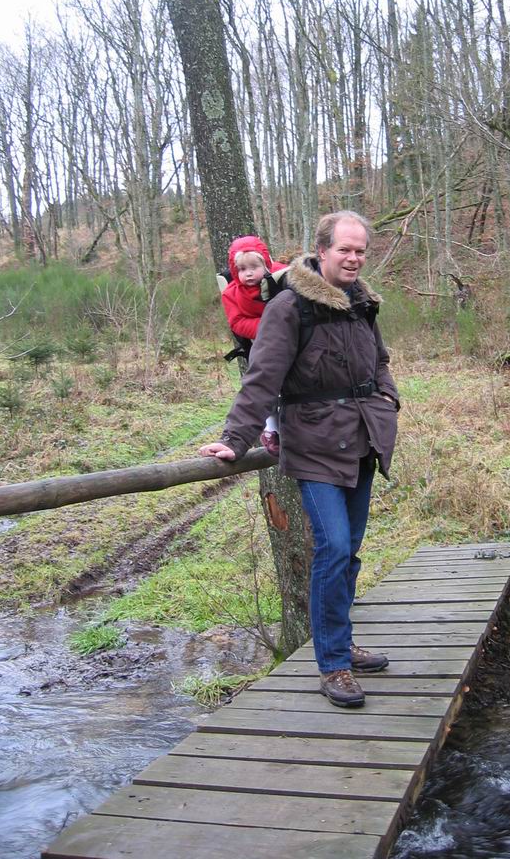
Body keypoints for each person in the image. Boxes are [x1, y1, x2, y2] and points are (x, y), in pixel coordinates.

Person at [200, 211, 399, 708]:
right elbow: (262, 376)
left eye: (360, 251)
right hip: (312, 443)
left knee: (349, 550)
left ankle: (342, 643)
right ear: (323, 250)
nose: (353, 258)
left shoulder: (362, 303)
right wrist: (235, 438)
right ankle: (333, 664)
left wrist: (388, 398)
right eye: (344, 250)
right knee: (333, 548)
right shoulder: (290, 305)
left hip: (362, 439)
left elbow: (379, 360)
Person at [219, 234, 285, 455]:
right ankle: (270, 429)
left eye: (254, 267)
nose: (248, 273)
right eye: (242, 269)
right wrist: (268, 328)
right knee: (266, 383)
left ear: (265, 264)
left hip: (291, 339)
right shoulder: (232, 293)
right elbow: (237, 322)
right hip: (261, 342)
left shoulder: (282, 277)